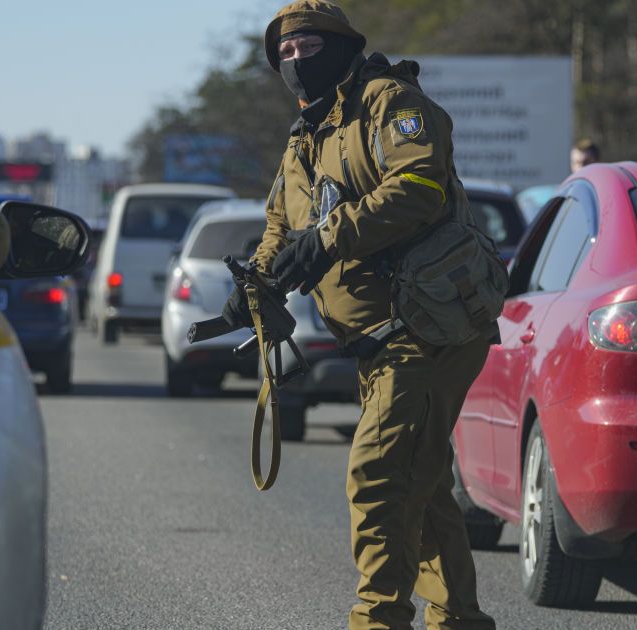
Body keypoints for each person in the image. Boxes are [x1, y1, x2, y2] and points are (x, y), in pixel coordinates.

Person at [221, 2, 497, 628]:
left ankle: (378, 619)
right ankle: (460, 618)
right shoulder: (302, 140)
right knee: (421, 485)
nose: (296, 62)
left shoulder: (388, 103)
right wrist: (257, 285)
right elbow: (278, 226)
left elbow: (420, 186)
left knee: (378, 474)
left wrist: (328, 239)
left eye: (309, 48)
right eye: (284, 54)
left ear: (344, 47)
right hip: (373, 341)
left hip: (427, 327)